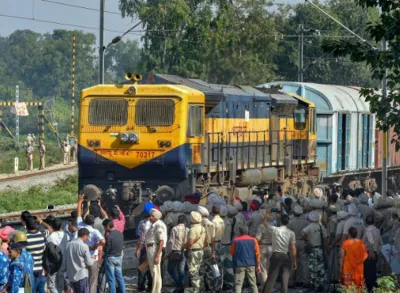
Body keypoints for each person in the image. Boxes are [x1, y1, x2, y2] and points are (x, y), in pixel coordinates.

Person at [77, 194, 106, 293]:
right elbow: (103, 241)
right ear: (93, 222)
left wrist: (80, 202)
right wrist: (95, 246)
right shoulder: (95, 231)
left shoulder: (80, 226)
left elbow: (79, 214)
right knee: (93, 281)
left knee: (83, 280)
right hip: (93, 258)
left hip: (82, 259)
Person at [262, 212, 296, 293]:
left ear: (280, 222)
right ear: (288, 222)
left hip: (276, 256)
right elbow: (293, 248)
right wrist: (294, 261)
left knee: (272, 277)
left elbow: (264, 223)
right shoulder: (291, 233)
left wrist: (267, 214)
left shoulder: (275, 230)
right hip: (286, 256)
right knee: (285, 279)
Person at [302, 211, 328, 292]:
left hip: (312, 249)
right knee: (321, 267)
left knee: (313, 267)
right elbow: (325, 238)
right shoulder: (321, 227)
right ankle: (321, 284)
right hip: (320, 249)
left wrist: (307, 240)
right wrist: (326, 249)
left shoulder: (309, 226)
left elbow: (303, 233)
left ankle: (314, 285)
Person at [230, 225, 261, 293]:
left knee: (238, 284)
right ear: (247, 232)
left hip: (239, 264)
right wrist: (258, 266)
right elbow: (258, 254)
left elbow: (232, 252)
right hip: (251, 264)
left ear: (240, 232)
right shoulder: (254, 240)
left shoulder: (236, 240)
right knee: (253, 284)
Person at [65, 228, 94, 293]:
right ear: (85, 235)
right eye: (87, 236)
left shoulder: (69, 244)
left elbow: (66, 259)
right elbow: (89, 263)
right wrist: (93, 259)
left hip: (71, 276)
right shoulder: (84, 246)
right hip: (81, 275)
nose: (87, 239)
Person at [286, 205, 309, 288]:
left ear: (294, 212)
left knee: (293, 262)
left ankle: (291, 281)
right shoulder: (305, 222)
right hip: (302, 242)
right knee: (304, 262)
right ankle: (304, 281)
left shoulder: (290, 222)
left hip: (293, 242)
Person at [102, 219, 126, 293]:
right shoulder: (120, 234)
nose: (104, 229)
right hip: (118, 257)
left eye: (105, 227)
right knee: (120, 277)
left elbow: (107, 249)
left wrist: (103, 246)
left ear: (108, 226)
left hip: (110, 258)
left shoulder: (109, 237)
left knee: (111, 279)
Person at [184, 211, 205, 293]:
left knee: (193, 270)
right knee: (199, 270)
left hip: (194, 251)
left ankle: (196, 289)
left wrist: (183, 247)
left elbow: (190, 242)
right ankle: (200, 288)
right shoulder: (202, 228)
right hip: (200, 250)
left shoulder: (192, 229)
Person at [45, 218, 68, 293]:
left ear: (52, 226)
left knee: (52, 284)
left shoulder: (50, 237)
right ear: (61, 226)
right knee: (60, 281)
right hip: (63, 260)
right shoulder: (66, 235)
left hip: (53, 262)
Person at [145, 209, 165, 293]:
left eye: (152, 216)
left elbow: (161, 241)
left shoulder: (158, 225)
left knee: (155, 271)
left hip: (154, 249)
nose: (150, 217)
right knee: (154, 271)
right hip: (151, 248)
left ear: (156, 217)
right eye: (150, 215)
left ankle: (156, 291)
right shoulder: (153, 225)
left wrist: (157, 255)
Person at [135, 203, 154, 292]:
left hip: (145, 249)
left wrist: (138, 250)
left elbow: (140, 238)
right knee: (151, 267)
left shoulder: (143, 223)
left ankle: (141, 286)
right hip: (154, 249)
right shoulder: (158, 223)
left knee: (142, 267)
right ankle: (150, 286)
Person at [166, 215, 187, 293]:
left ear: (178, 221)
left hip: (175, 252)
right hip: (183, 251)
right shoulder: (186, 229)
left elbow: (171, 241)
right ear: (185, 222)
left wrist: (168, 252)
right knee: (181, 270)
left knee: (170, 269)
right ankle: (181, 286)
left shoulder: (174, 229)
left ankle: (179, 284)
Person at [25, 217, 46, 293]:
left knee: (30, 290)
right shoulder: (42, 235)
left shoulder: (25, 237)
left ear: (26, 226)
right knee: (41, 290)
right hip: (40, 268)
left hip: (29, 269)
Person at [362, 215, 383, 292]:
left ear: (365, 222)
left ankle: (370, 289)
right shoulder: (377, 230)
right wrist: (377, 251)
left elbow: (371, 242)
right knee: (373, 272)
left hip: (369, 253)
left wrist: (370, 252)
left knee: (368, 273)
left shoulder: (368, 230)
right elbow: (380, 242)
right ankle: (373, 289)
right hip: (375, 252)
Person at [211, 205, 225, 292]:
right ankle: (221, 284)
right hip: (221, 243)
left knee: (214, 264)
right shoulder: (221, 221)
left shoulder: (213, 221)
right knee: (221, 264)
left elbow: (212, 236)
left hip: (215, 244)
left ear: (212, 212)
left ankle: (216, 285)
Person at [221, 205, 235, 291]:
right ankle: (230, 283)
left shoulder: (220, 222)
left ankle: (221, 284)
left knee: (221, 266)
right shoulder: (230, 221)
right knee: (229, 266)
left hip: (221, 246)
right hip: (229, 245)